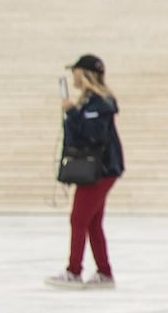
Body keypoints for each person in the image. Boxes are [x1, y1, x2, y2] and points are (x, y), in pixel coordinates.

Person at [53, 53, 124, 287]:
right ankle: (104, 272)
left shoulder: (100, 102)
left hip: (101, 169)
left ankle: (74, 271)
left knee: (79, 219)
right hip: (96, 168)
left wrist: (72, 113)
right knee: (92, 222)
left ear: (84, 74)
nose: (72, 76)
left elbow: (94, 135)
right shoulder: (88, 102)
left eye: (75, 71)